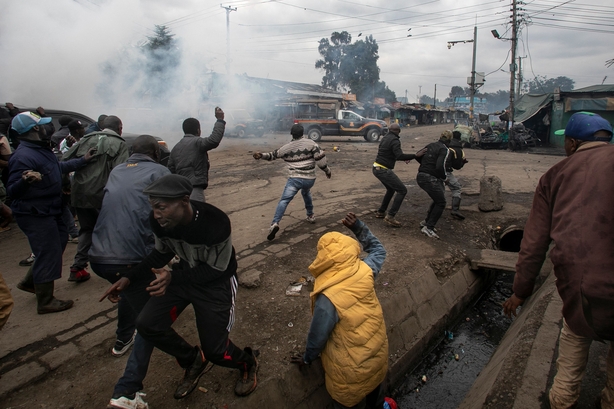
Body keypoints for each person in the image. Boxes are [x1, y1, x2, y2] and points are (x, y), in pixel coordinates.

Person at [101, 174, 259, 403]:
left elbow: (216, 270)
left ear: (184, 200)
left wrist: (173, 277)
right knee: (147, 324)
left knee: (216, 351)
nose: (156, 214)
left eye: (161, 207)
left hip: (215, 284)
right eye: (153, 207)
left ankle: (248, 362)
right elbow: (161, 252)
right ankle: (193, 359)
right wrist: (130, 277)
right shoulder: (159, 222)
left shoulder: (215, 223)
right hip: (182, 276)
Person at [502, 112, 614, 409]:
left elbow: (534, 243)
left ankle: (563, 402)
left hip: (582, 288)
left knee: (573, 352)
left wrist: (520, 291)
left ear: (574, 143)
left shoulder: (555, 175)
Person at [291, 212, 388, 409]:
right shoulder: (364, 270)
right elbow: (379, 250)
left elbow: (317, 336)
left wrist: (308, 357)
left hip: (350, 374)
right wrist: (358, 228)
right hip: (377, 359)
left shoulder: (328, 297)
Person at [90, 135, 170, 358]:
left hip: (98, 255)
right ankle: (130, 384)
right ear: (156, 153)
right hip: (129, 258)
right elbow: (172, 213)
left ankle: (123, 337)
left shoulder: (117, 170)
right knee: (150, 317)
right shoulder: (159, 172)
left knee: (130, 292)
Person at [7, 112, 95, 313]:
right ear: (35, 129)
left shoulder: (39, 150)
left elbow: (57, 167)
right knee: (48, 250)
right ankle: (45, 301)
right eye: (44, 125)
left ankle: (31, 281)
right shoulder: (23, 157)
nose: (49, 128)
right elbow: (12, 190)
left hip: (51, 208)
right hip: (35, 212)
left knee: (60, 240)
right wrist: (25, 181)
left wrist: (83, 160)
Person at [62, 115, 129, 282]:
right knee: (113, 229)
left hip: (80, 193)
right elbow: (120, 172)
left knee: (86, 229)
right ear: (120, 128)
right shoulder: (119, 144)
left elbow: (63, 161)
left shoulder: (85, 140)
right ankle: (118, 267)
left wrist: (66, 186)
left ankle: (77, 267)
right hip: (102, 194)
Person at [253, 124, 331, 241]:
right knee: (306, 192)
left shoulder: (287, 147)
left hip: (295, 180)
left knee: (284, 200)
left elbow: (272, 155)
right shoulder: (312, 144)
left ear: (291, 134)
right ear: (303, 133)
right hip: (310, 179)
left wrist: (261, 155)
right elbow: (321, 161)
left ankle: (275, 223)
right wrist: (327, 171)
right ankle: (310, 215)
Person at [167, 107, 226, 202]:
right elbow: (214, 140)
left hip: (181, 190)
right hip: (194, 188)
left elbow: (171, 169)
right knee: (198, 214)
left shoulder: (176, 148)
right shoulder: (197, 142)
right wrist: (220, 120)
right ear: (198, 130)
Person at [372, 123, 420, 227]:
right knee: (402, 190)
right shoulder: (395, 140)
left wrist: (405, 157)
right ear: (399, 131)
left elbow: (394, 155)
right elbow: (399, 155)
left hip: (376, 168)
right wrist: (415, 156)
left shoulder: (385, 138)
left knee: (391, 189)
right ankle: (390, 216)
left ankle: (381, 212)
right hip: (383, 170)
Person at [415, 131, 450, 239]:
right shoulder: (444, 149)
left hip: (421, 175)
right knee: (441, 202)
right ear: (449, 140)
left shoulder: (431, 145)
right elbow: (440, 166)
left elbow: (417, 155)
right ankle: (429, 228)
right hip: (430, 178)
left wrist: (425, 164)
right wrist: (445, 178)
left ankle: (426, 223)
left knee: (437, 199)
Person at [444, 130, 468, 220]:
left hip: (435, 171)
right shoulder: (458, 150)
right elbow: (457, 166)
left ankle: (431, 211)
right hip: (446, 172)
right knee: (456, 188)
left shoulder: (445, 145)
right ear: (460, 138)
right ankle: (455, 210)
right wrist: (463, 162)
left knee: (439, 191)